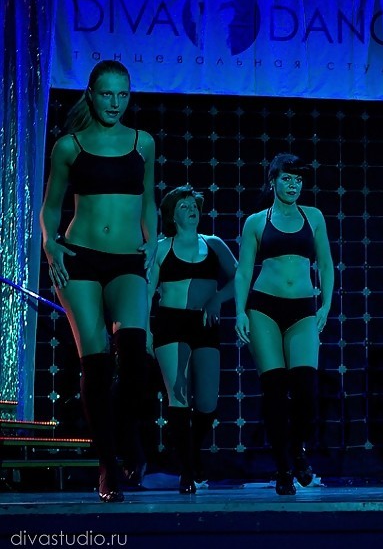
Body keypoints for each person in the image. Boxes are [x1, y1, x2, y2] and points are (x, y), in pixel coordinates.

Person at [39, 60, 157, 502]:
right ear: (91, 94)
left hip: (128, 259)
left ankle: (125, 434)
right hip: (80, 258)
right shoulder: (69, 146)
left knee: (135, 361)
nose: (115, 102)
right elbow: (52, 206)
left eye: (123, 94)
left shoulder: (143, 142)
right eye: (107, 94)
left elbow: (148, 201)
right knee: (97, 364)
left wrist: (153, 243)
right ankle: (107, 465)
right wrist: (50, 245)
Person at [234, 153, 334, 495]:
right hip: (264, 307)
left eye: (298, 180)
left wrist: (326, 306)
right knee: (275, 389)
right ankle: (282, 469)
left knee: (306, 389)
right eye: (287, 179)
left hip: (304, 309)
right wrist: (239, 311)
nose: (293, 185)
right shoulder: (256, 222)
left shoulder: (314, 216)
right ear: (273, 181)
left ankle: (297, 450)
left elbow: (326, 264)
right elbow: (244, 270)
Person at [147, 185, 237, 494]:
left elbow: (240, 277)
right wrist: (145, 330)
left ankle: (190, 453)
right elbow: (147, 291)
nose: (191, 210)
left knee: (208, 402)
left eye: (193, 205)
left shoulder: (213, 244)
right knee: (179, 397)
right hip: (171, 324)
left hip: (205, 324)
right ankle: (187, 472)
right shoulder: (162, 248)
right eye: (183, 206)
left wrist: (217, 299)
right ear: (172, 215)